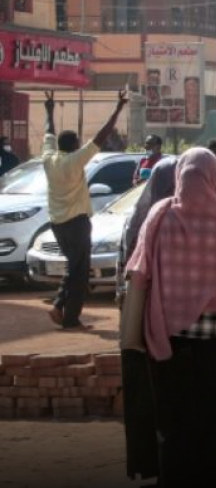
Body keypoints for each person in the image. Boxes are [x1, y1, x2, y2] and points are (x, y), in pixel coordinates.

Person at [125, 148, 216, 488]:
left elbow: (140, 270)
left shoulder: (160, 216)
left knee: (172, 423)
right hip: (211, 342)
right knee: (207, 425)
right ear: (214, 177)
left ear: (181, 175)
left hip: (166, 338)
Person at [43, 90, 127, 331]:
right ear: (74, 146)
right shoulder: (74, 160)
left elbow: (49, 132)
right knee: (79, 272)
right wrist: (118, 108)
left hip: (57, 223)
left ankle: (61, 308)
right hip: (77, 223)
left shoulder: (49, 158)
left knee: (74, 267)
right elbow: (102, 135)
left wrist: (49, 110)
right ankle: (69, 316)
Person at [118, 157, 177, 488]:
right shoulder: (159, 218)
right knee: (154, 397)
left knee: (148, 397)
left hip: (140, 318)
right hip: (152, 321)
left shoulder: (140, 216)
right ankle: (159, 468)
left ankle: (155, 468)